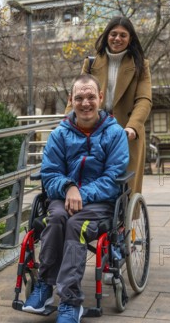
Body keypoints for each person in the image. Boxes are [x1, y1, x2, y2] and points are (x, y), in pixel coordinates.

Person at [23, 74, 129, 323]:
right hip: (63, 197)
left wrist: (81, 192)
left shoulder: (115, 134)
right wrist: (69, 186)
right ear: (71, 100)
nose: (85, 103)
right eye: (79, 97)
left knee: (76, 225)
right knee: (55, 219)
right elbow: (49, 174)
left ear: (100, 98)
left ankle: (71, 301)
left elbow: (113, 178)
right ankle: (46, 287)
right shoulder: (60, 134)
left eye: (91, 96)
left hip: (100, 203)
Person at [65, 16, 151, 196]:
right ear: (106, 36)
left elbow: (144, 100)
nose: (117, 39)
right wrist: (67, 123)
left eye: (123, 35)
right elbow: (77, 95)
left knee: (124, 184)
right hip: (95, 127)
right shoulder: (91, 63)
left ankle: (126, 222)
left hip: (125, 131)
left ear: (130, 39)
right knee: (92, 177)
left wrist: (133, 127)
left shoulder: (140, 65)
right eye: (113, 34)